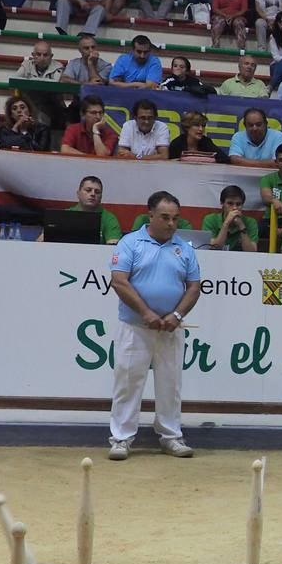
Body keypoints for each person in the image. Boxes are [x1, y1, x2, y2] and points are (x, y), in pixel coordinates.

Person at [107, 191, 200, 461]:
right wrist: (146, 312)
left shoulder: (185, 248)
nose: (171, 223)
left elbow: (194, 287)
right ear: (150, 215)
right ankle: (122, 439)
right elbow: (119, 281)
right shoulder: (130, 243)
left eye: (175, 218)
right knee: (128, 381)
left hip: (171, 329)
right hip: (134, 326)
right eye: (165, 217)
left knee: (171, 384)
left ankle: (171, 437)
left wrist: (177, 315)